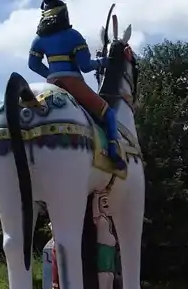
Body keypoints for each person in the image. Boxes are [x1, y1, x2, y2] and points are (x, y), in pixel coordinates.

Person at [28, 0, 127, 171]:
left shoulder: (39, 39)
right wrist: (102, 62)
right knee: (108, 113)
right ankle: (112, 152)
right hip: (73, 83)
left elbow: (33, 64)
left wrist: (51, 75)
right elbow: (86, 66)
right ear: (63, 14)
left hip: (51, 85)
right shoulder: (74, 36)